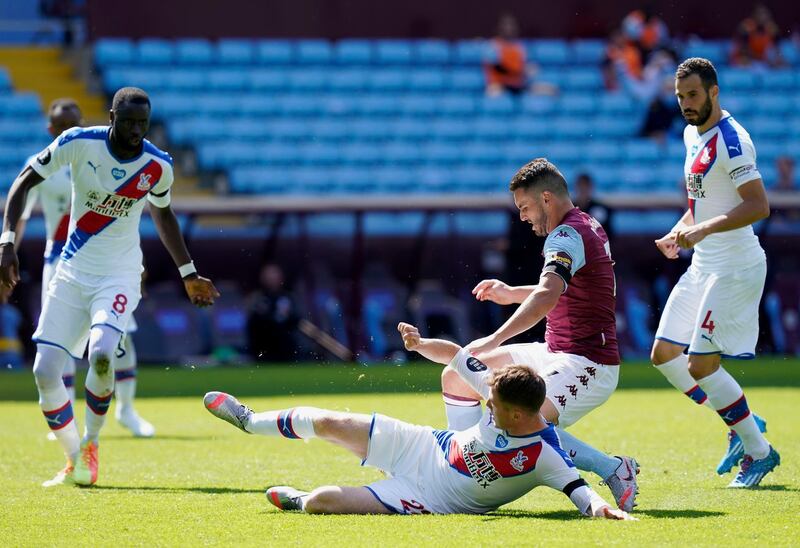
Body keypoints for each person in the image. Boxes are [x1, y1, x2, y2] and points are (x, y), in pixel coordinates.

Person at [0, 86, 219, 487]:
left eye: (143, 124)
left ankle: (91, 445)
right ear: (112, 117)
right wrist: (7, 243)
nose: (137, 131)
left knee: (102, 357)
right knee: (45, 372)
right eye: (129, 122)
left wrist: (188, 272)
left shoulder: (158, 165)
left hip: (118, 275)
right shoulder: (78, 143)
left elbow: (164, 215)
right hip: (70, 272)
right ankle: (72, 461)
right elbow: (23, 181)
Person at [203, 325, 634, 520]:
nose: (485, 403)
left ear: (520, 415)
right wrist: (421, 343)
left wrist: (605, 511)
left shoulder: (546, 456)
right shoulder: (499, 391)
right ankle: (250, 419)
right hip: (423, 445)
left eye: (493, 404)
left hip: (426, 495)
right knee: (329, 421)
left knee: (322, 502)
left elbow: (581, 495)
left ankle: (297, 501)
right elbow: (455, 354)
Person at [433, 158, 639, 511]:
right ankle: (464, 466)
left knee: (519, 418)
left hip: (588, 363)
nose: (523, 217)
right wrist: (510, 292)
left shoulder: (566, 234)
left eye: (524, 207)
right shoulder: (583, 225)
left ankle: (613, 468)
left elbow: (547, 294)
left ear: (546, 198)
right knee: (456, 375)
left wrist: (493, 338)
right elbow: (562, 288)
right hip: (553, 349)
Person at [652, 57, 779, 488]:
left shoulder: (733, 140)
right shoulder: (691, 134)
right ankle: (742, 420)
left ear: (714, 92)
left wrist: (702, 228)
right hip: (703, 263)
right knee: (664, 356)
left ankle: (760, 452)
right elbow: (699, 204)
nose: (686, 104)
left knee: (701, 364)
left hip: (735, 267)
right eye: (680, 96)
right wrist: (680, 229)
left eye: (693, 95)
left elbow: (759, 206)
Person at [15, 98, 155, 438]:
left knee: (119, 341)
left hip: (109, 263)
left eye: (74, 123)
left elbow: (126, 216)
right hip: (60, 261)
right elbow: (19, 215)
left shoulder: (96, 154)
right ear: (51, 130)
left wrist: (139, 263)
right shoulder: (45, 165)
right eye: (63, 126)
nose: (70, 130)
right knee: (58, 346)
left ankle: (127, 410)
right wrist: (9, 253)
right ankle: (66, 415)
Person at [246, 263, 299, 362]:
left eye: (274, 274)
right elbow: (253, 323)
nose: (272, 278)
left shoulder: (288, 298)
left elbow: (296, 320)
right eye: (269, 275)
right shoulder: (257, 298)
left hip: (286, 349)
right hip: (263, 347)